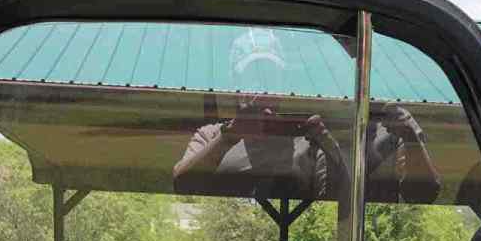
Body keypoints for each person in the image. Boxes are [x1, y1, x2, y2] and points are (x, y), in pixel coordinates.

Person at [172, 28, 441, 206]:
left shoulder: (307, 141)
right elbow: (182, 184)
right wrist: (231, 135)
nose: (261, 86)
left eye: (270, 75)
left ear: (282, 84)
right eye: (253, 75)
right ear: (235, 83)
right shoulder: (211, 135)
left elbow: (338, 202)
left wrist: (325, 141)